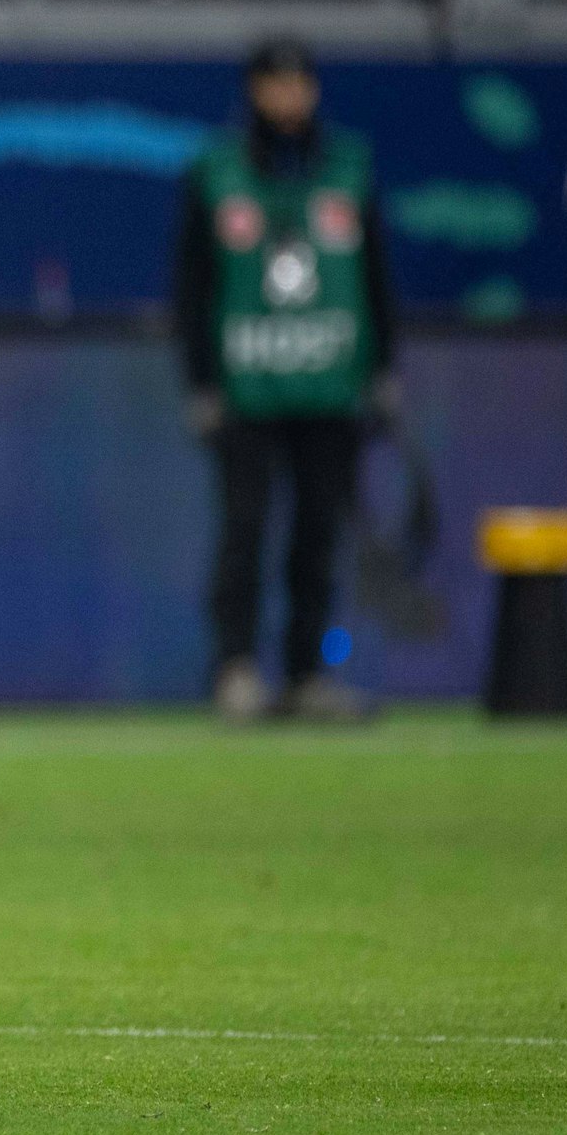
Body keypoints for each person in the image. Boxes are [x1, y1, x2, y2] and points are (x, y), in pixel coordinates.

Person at [172, 37, 397, 723]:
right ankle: (236, 669)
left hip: (330, 389)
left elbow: (377, 280)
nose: (289, 97)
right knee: (244, 532)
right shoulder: (216, 173)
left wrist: (383, 370)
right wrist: (201, 383)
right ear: (254, 92)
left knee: (318, 535)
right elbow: (191, 288)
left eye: (299, 83)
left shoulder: (349, 169)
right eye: (276, 83)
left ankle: (306, 674)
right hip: (248, 390)